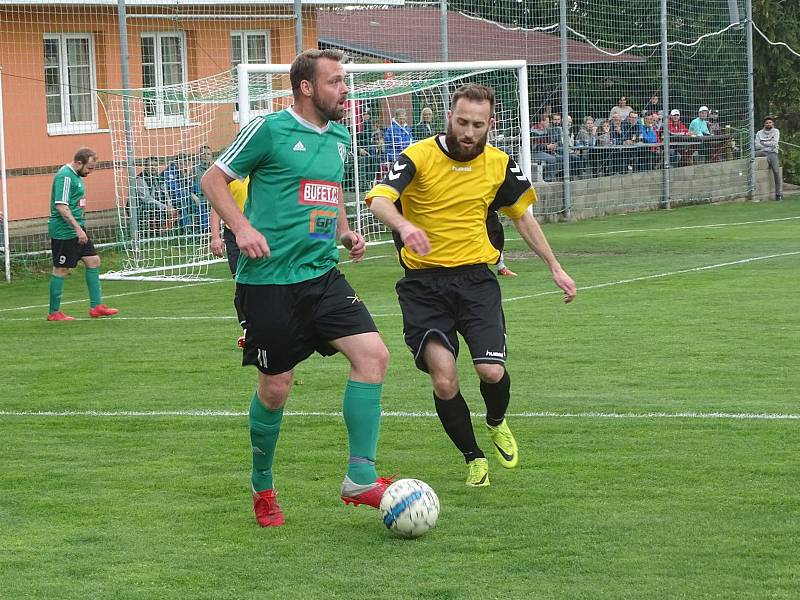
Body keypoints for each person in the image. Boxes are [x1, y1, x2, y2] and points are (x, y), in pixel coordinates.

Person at [200, 49, 391, 528]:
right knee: (275, 389)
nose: (345, 89)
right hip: (269, 283)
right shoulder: (268, 130)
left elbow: (329, 191)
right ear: (306, 87)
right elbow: (213, 179)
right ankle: (262, 485)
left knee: (374, 356)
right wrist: (241, 228)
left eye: (345, 81)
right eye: (336, 82)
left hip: (323, 275)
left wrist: (345, 230)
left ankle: (360, 476)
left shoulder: (342, 137)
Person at [366, 84, 577, 487]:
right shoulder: (418, 156)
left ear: (490, 124)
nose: (468, 131)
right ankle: (473, 458)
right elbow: (379, 201)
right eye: (461, 121)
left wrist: (555, 267)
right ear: (449, 116)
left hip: (476, 281)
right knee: (444, 376)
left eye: (477, 125)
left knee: (490, 371)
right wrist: (405, 224)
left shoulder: (499, 164)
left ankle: (496, 421)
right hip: (423, 286)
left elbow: (523, 217)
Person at [47, 147, 118, 321]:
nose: (90, 172)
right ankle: (54, 312)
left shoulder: (76, 176)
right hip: (64, 231)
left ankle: (96, 307)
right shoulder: (65, 177)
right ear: (79, 162)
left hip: (77, 228)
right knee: (61, 269)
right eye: (89, 168)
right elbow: (61, 206)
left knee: (93, 260)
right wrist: (78, 229)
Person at [210, 177, 250, 348]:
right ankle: (247, 329)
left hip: (257, 231)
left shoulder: (261, 172)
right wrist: (215, 237)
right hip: (233, 235)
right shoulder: (227, 176)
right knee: (239, 283)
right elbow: (216, 207)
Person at [132, 157, 178, 233]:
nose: (153, 167)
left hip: (159, 204)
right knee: (153, 208)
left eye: (155, 165)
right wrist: (165, 207)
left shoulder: (160, 178)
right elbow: (147, 199)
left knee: (177, 207)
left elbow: (166, 193)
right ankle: (157, 233)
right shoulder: (140, 179)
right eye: (150, 165)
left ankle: (165, 232)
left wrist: (170, 205)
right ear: (145, 166)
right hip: (144, 206)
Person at [755, 116, 782, 201]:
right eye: (767, 123)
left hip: (772, 153)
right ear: (764, 124)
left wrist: (763, 143)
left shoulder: (776, 131)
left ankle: (778, 194)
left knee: (776, 171)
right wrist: (768, 145)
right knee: (752, 155)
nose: (768, 124)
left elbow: (775, 143)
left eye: (770, 122)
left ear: (773, 123)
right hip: (762, 152)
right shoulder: (759, 133)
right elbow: (756, 145)